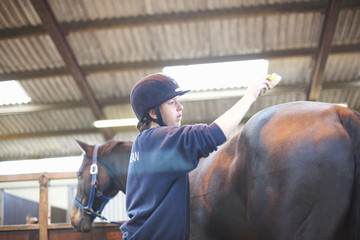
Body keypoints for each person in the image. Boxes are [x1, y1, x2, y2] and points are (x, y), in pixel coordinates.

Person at [120, 72, 276, 240]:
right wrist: (249, 96)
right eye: (171, 102)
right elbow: (211, 135)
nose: (180, 107)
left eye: (178, 101)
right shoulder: (159, 140)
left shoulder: (143, 144)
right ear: (152, 112)